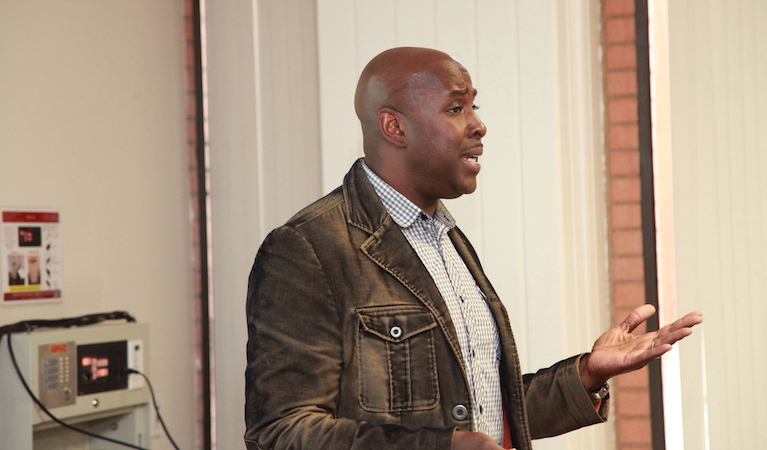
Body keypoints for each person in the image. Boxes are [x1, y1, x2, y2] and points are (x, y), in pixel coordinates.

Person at [244, 47, 702, 450]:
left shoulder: (445, 239)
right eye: (456, 108)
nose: (479, 125)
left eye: (473, 106)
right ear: (394, 127)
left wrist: (586, 374)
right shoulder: (307, 249)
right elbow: (281, 432)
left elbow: (476, 409)